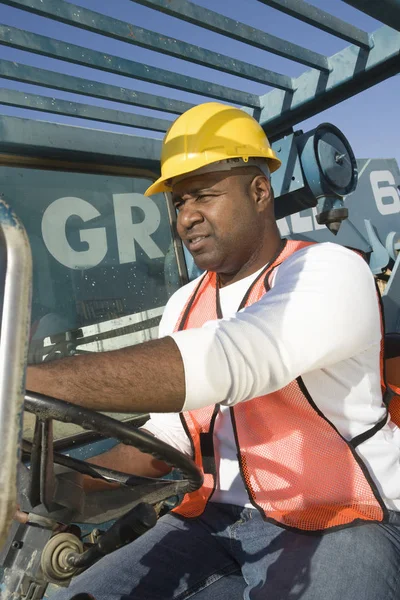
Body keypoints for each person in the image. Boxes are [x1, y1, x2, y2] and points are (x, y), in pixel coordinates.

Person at [27, 102, 400, 600]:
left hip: (343, 513)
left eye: (204, 195)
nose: (187, 217)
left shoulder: (331, 270)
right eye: (179, 203)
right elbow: (168, 441)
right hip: (212, 518)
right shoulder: (184, 303)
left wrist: (23, 381)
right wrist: (59, 485)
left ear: (260, 191)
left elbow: (239, 357)